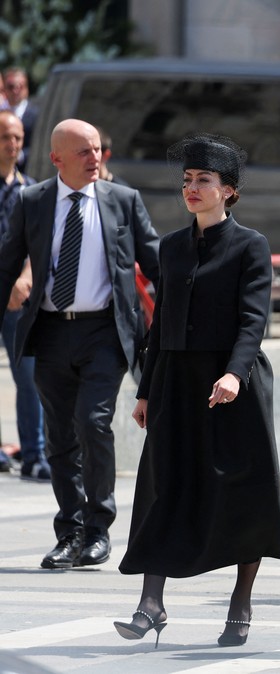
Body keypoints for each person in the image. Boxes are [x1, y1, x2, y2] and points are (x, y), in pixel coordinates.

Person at [114, 133, 280, 648]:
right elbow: (159, 320)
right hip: (174, 383)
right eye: (187, 180)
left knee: (242, 493)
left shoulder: (251, 245)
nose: (191, 188)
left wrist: (234, 374)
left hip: (235, 383)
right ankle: (151, 603)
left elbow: (254, 321)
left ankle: (240, 602)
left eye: (203, 180)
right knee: (163, 486)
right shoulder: (170, 247)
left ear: (228, 191)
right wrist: (146, 389)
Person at [0, 119, 160, 569]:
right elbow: (7, 263)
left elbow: (157, 261)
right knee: (59, 437)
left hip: (104, 333)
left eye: (97, 149)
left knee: (93, 423)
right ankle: (68, 531)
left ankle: (98, 528)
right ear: (57, 160)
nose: (96, 158)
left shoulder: (122, 201)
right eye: (85, 152)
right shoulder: (33, 201)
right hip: (50, 330)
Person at [0, 110, 47, 480]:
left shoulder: (30, 190)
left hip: (18, 297)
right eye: (5, 137)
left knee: (29, 376)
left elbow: (39, 244)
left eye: (16, 137)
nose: (12, 144)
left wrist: (25, 279)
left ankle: (35, 454)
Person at [3, 68, 37, 170]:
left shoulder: (37, 115)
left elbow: (41, 146)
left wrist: (20, 155)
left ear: (26, 89)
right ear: (4, 88)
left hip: (29, 171)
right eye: (11, 86)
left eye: (20, 86)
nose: (15, 90)